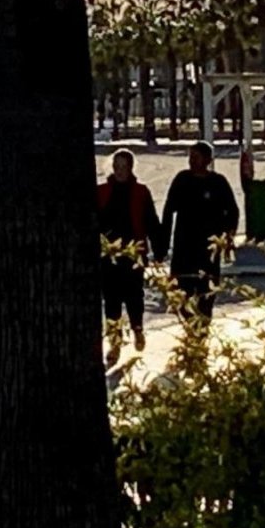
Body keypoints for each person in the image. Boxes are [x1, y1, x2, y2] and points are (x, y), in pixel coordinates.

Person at [156, 141, 241, 332]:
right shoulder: (182, 180)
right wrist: (162, 245)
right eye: (190, 157)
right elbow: (169, 211)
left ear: (208, 160)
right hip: (184, 248)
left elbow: (233, 211)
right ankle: (190, 328)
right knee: (181, 293)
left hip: (208, 251)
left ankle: (202, 330)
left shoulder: (218, 183)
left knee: (206, 294)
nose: (191, 161)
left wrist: (228, 238)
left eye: (196, 157)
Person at [97, 149, 161, 366]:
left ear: (131, 168)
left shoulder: (141, 193)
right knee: (111, 301)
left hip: (134, 253)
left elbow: (152, 222)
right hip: (109, 256)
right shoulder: (102, 192)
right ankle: (114, 342)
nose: (120, 171)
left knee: (135, 297)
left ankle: (137, 329)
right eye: (117, 167)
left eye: (124, 167)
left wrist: (159, 250)